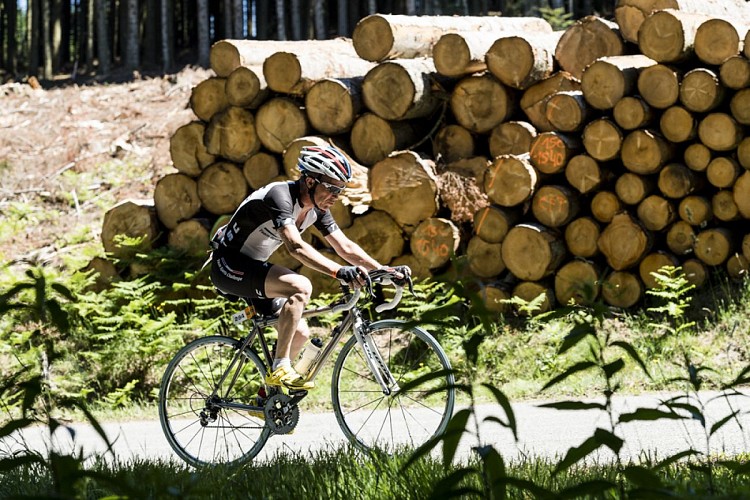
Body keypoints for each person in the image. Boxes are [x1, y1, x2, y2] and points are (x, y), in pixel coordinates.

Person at [210, 145, 408, 391]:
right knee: (300, 286)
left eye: (341, 189)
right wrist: (339, 272)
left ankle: (266, 397)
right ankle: (280, 368)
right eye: (333, 188)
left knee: (300, 332)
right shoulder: (279, 196)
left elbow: (345, 247)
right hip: (229, 265)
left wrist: (383, 271)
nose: (336, 196)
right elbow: (295, 247)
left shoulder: (317, 208)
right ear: (311, 181)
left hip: (253, 268)